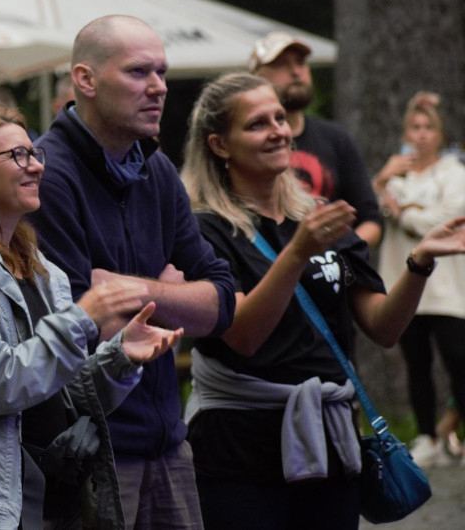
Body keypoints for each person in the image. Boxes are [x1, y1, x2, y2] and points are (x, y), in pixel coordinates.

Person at [179, 72, 465, 529]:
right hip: (238, 449)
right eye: (257, 124)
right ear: (219, 145)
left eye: (279, 117)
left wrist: (419, 262)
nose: (278, 130)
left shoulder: (317, 215)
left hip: (330, 442)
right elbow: (244, 336)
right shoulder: (202, 229)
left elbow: (383, 327)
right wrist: (297, 253)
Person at [0, 105, 183, 529]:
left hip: (60, 504)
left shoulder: (39, 267)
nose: (35, 165)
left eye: (35, 153)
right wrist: (81, 320)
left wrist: (121, 357)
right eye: (17, 155)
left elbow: (61, 393)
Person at [29, 15, 235, 529]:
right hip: (90, 450)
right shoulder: (43, 173)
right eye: (139, 72)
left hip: (169, 444)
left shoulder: (156, 169)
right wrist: (172, 289)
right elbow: (79, 325)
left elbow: (224, 302)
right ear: (86, 79)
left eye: (162, 72)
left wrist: (129, 290)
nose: (159, 88)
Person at [372, 91, 465, 467]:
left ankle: (451, 429)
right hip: (404, 282)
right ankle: (427, 436)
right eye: (415, 126)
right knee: (417, 364)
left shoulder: (454, 172)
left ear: (439, 133)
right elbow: (373, 206)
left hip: (448, 289)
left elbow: (442, 222)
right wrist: (381, 182)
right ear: (406, 131)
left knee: (459, 359)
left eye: (429, 127)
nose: (422, 134)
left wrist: (405, 212)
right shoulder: (395, 173)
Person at [249, 31, 383, 251]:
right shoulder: (247, 145)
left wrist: (340, 257)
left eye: (301, 62)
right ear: (255, 78)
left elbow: (371, 219)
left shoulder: (336, 138)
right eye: (282, 64)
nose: (296, 71)